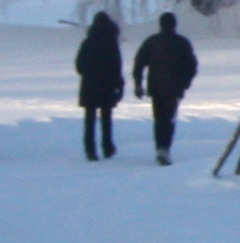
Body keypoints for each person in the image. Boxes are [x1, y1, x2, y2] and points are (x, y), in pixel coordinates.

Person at [132, 11, 199, 166]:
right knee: (168, 119)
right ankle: (165, 148)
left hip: (155, 87)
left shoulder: (151, 42)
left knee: (158, 118)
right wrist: (185, 82)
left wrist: (138, 83)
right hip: (174, 89)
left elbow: (139, 63)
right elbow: (191, 66)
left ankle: (160, 147)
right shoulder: (182, 43)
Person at [73, 12, 124, 161]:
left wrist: (89, 74)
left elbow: (79, 65)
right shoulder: (111, 43)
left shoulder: (87, 43)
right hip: (107, 86)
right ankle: (107, 147)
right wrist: (118, 85)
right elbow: (116, 67)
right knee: (106, 118)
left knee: (90, 118)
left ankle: (90, 149)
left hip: (89, 86)